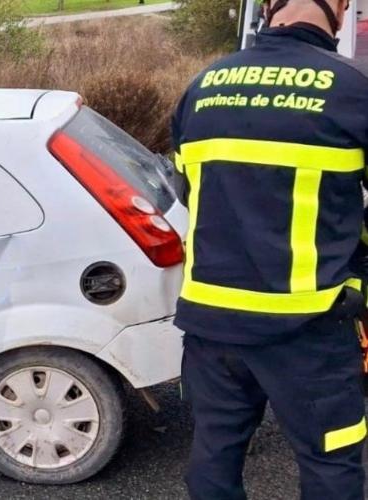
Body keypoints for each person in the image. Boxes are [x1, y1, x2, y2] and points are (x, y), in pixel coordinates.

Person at [170, 1, 368, 498]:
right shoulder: (351, 91)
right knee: (330, 462)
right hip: (309, 327)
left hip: (211, 323)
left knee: (215, 455)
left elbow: (188, 190)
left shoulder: (204, 85)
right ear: (338, 9)